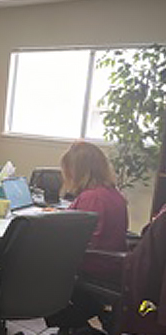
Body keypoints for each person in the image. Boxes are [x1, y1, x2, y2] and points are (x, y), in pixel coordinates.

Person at [45, 141, 129, 334]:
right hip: (112, 262)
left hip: (95, 265)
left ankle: (72, 321)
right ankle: (77, 322)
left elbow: (78, 238)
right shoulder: (112, 192)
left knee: (35, 262)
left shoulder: (92, 198)